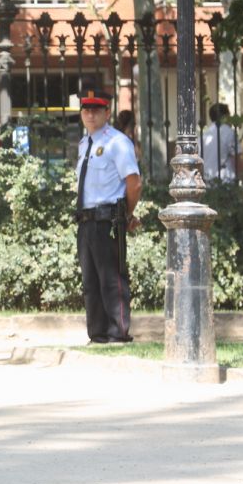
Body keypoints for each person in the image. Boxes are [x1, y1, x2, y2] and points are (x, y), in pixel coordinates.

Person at [75, 89, 141, 345]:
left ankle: (118, 333)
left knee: (111, 279)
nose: (90, 114)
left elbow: (134, 184)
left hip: (108, 220)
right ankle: (98, 334)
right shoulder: (84, 144)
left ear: (107, 112)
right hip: (85, 220)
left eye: (96, 109)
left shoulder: (117, 142)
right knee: (90, 281)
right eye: (86, 109)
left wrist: (127, 213)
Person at [201, 103, 243, 184]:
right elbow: (237, 160)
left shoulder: (204, 135)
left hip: (208, 183)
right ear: (226, 116)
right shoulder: (229, 133)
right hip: (225, 184)